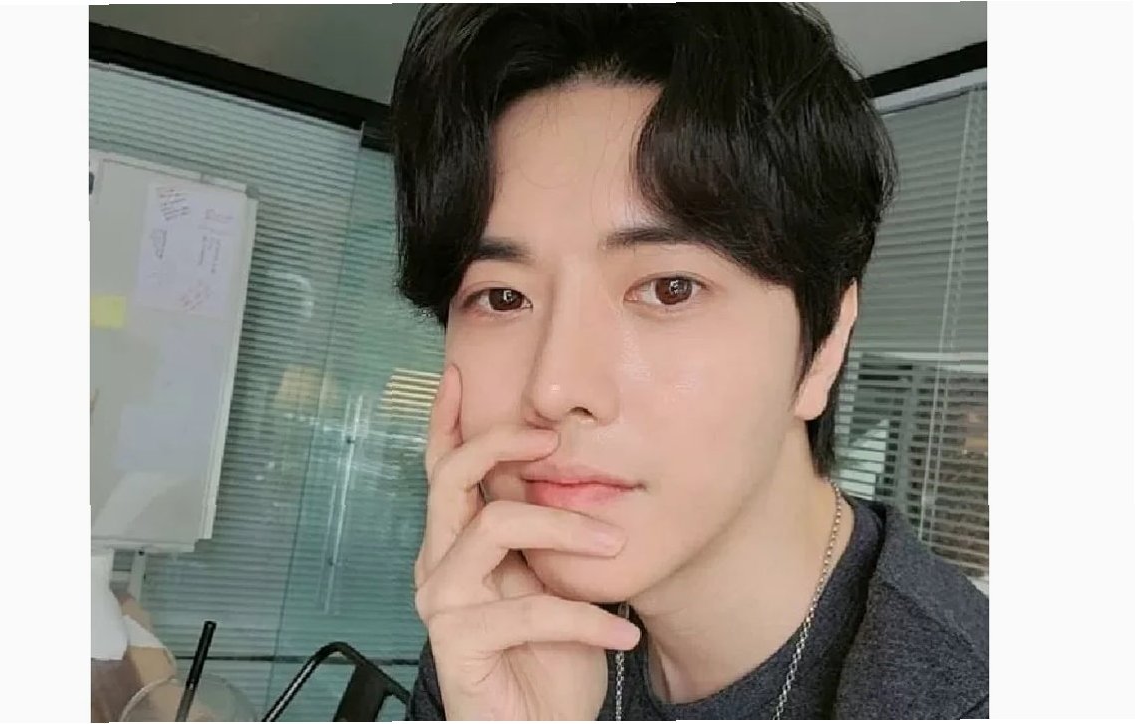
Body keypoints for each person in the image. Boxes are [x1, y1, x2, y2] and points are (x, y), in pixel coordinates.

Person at [388, 3, 989, 720]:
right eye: (503, 297)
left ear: (824, 340)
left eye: (669, 289)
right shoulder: (498, 620)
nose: (553, 387)